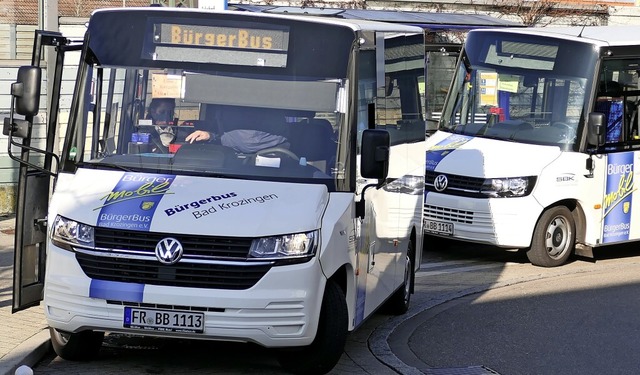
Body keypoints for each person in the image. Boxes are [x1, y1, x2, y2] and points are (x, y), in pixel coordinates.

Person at [185, 106, 289, 153]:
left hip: (274, 162)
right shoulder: (223, 99)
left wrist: (214, 137)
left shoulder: (269, 107)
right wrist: (209, 135)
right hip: (224, 168)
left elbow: (248, 140)